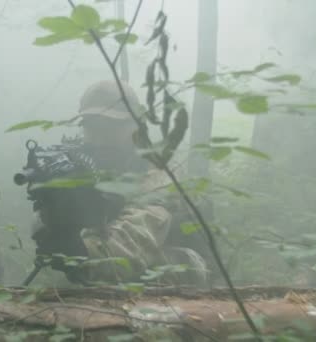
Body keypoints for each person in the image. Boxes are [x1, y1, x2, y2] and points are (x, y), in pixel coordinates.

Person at [30, 80, 209, 286]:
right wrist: (53, 215)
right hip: (104, 263)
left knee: (154, 271)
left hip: (177, 266)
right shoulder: (83, 163)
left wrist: (79, 250)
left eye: (111, 126)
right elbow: (43, 226)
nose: (99, 137)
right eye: (92, 126)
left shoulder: (159, 169)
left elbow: (138, 239)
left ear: (135, 124)